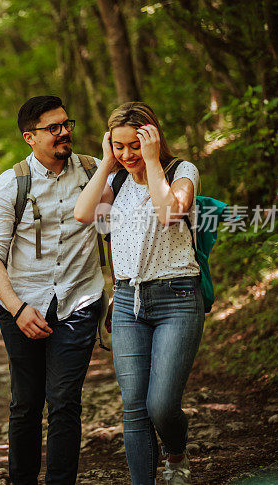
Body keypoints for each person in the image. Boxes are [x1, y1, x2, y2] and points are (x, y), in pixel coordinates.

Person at [0, 95, 106, 485]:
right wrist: (17, 309)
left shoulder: (93, 171)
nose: (64, 132)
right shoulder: (12, 184)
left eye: (66, 124)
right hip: (21, 304)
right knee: (27, 402)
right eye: (54, 128)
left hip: (79, 300)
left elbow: (129, 216)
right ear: (29, 137)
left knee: (65, 401)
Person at [74, 101, 203, 485]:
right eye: (119, 146)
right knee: (134, 407)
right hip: (129, 302)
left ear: (153, 138)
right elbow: (84, 214)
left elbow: (170, 214)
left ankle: (176, 454)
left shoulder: (181, 172)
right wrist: (105, 164)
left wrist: (151, 161)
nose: (127, 154)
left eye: (135, 145)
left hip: (177, 298)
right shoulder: (116, 181)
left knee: (161, 405)